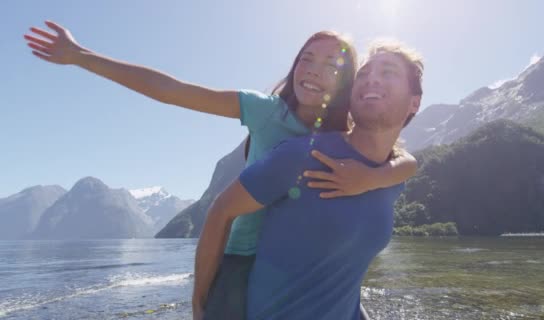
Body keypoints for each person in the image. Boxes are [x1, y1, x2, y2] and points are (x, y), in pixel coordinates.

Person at [24, 22, 418, 318]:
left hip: (300, 268)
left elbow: (404, 161)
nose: (314, 71)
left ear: (347, 85)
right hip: (240, 257)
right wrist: (82, 57)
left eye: (332, 65)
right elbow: (172, 90)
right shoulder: (267, 112)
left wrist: (373, 177)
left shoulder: (343, 133)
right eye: (306, 59)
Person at [192, 41, 424, 320]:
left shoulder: (391, 177)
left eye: (388, 72)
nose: (372, 78)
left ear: (415, 101)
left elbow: (343, 274)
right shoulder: (304, 154)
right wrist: (201, 302)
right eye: (363, 74)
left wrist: (374, 177)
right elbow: (222, 210)